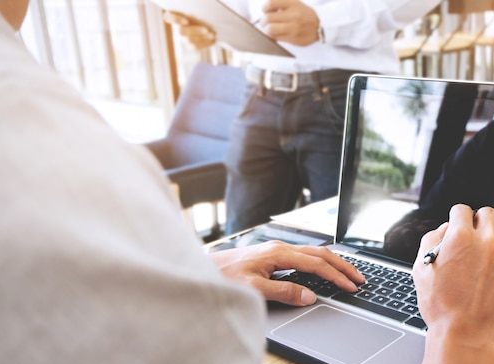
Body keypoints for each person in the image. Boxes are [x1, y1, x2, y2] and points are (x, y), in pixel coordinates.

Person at [0, 2, 494, 364]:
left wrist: (182, 271)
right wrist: (465, 336)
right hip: (261, 88)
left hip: (334, 85)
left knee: (343, 257)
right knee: (317, 249)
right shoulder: (44, 148)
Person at [164, 0, 442, 235]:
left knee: (348, 239)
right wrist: (215, 25)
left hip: (342, 92)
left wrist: (326, 22)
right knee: (241, 239)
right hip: (258, 92)